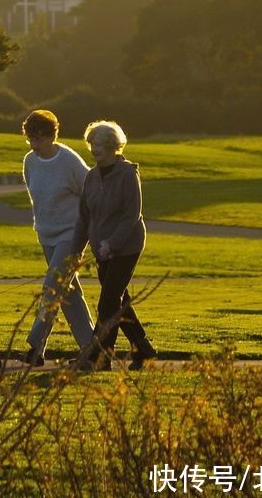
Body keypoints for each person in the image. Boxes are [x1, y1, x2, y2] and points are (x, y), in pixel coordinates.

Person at [70, 120, 157, 372]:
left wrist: (113, 243)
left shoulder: (128, 174)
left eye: (100, 144)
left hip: (126, 246)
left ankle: (98, 357)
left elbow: (132, 215)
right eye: (92, 144)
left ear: (112, 147)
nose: (94, 148)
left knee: (108, 301)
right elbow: (85, 218)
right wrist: (76, 251)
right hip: (102, 249)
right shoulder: (91, 176)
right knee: (118, 302)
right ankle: (143, 350)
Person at [20, 110, 95, 366]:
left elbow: (90, 192)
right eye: (30, 139)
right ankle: (92, 349)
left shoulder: (69, 161)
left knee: (52, 287)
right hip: (46, 235)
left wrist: (86, 230)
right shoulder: (30, 161)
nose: (34, 144)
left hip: (71, 234)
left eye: (39, 139)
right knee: (68, 293)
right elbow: (35, 196)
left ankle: (34, 345)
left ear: (52, 136)